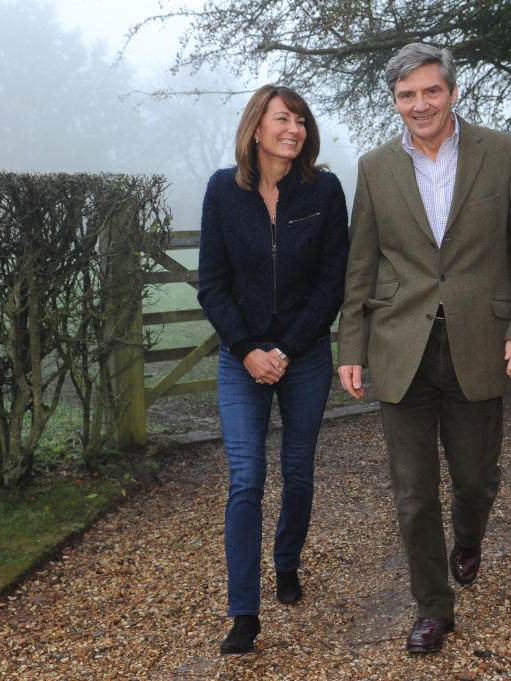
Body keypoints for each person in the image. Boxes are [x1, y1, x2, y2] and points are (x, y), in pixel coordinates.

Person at [337, 44, 511, 654]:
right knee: (411, 493)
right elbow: (362, 265)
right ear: (395, 100)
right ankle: (434, 606)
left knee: (476, 480)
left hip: (481, 343)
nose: (420, 104)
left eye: (431, 91)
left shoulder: (501, 152)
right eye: (407, 95)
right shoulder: (375, 166)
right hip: (399, 347)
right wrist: (350, 346)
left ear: (453, 93)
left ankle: (469, 536)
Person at [198, 84, 349, 654]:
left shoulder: (324, 190)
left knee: (299, 469)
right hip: (242, 358)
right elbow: (211, 282)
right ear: (255, 128)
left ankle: (287, 563)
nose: (294, 129)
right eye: (282, 119)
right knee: (246, 478)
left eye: (301, 121)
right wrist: (246, 350)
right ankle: (244, 614)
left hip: (304, 354)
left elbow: (332, 281)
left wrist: (285, 349)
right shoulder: (222, 190)